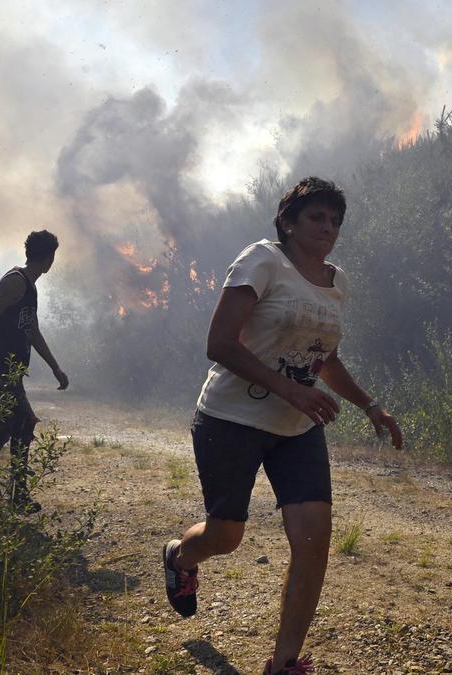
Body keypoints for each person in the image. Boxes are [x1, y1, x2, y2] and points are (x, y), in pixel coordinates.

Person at [161, 177, 403, 675]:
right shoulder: (262, 260)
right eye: (317, 217)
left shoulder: (337, 283)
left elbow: (325, 356)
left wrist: (368, 405)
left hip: (297, 427)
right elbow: (221, 344)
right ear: (288, 222)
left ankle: (284, 663)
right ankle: (181, 558)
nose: (328, 228)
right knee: (227, 537)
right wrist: (290, 388)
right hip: (232, 418)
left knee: (314, 540)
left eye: (335, 221)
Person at [0, 230, 68, 512]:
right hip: (2, 370)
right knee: (21, 424)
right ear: (49, 258)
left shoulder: (28, 287)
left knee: (8, 429)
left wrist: (55, 366)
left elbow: (32, 331)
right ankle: (7, 495)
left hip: (12, 372)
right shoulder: (15, 283)